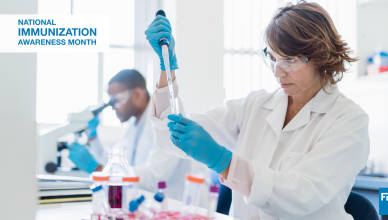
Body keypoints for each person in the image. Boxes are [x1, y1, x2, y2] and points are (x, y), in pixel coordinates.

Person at [146, 1, 370, 219]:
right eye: (272, 58)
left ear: (321, 56)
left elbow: (301, 195)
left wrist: (224, 162)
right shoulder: (255, 106)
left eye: (289, 61)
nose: (277, 72)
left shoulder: (348, 120)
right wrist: (167, 66)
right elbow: (170, 134)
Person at [68, 69, 209, 205]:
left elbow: (155, 176)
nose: (113, 107)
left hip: (184, 206)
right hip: (156, 204)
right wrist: (93, 137)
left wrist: (98, 169)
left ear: (137, 95)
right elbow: (115, 161)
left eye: (115, 100)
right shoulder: (134, 124)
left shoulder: (165, 120)